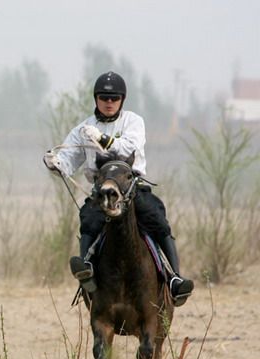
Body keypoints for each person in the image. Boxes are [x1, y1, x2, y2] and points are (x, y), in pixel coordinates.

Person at [42, 71, 194, 306]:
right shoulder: (83, 128)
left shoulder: (134, 121)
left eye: (114, 98)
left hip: (132, 189)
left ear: (122, 100)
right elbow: (69, 158)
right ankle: (87, 269)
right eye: (104, 98)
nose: (109, 102)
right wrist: (56, 162)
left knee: (156, 218)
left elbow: (128, 148)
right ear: (96, 99)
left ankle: (174, 278)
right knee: (89, 219)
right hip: (100, 190)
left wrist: (103, 140)